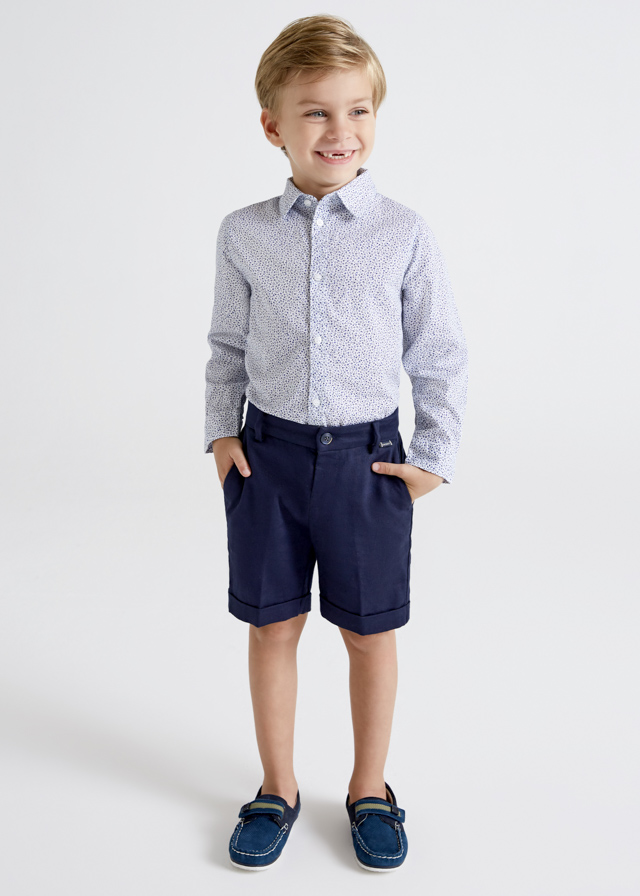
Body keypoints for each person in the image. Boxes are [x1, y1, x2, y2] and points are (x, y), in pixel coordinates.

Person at [204, 14, 468, 872]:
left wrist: (433, 457)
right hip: (268, 461)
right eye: (315, 112)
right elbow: (227, 347)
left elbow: (438, 353)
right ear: (273, 126)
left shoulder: (405, 232)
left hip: (368, 464)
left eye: (359, 110)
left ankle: (369, 788)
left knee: (368, 633)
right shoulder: (244, 232)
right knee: (272, 626)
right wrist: (221, 433)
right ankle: (276, 786)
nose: (340, 130)